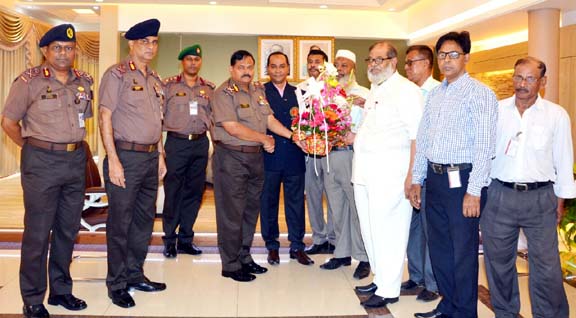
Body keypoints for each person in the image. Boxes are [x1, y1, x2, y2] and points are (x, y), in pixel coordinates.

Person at [1, 24, 91, 318]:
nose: (64, 53)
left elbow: (82, 119)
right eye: (57, 48)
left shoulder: (84, 81)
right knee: (38, 233)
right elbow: (9, 122)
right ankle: (32, 298)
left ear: (75, 50)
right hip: (41, 163)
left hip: (74, 162)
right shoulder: (28, 82)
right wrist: (32, 148)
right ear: (45, 51)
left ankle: (61, 291)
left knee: (68, 230)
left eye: (69, 48)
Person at [409, 31, 498, 318]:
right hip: (434, 180)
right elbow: (423, 140)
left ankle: (464, 312)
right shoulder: (435, 94)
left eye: (453, 55)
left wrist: (475, 190)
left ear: (466, 57)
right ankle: (449, 304)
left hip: (463, 182)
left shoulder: (480, 94)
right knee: (440, 250)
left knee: (462, 253)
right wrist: (416, 179)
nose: (447, 61)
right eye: (442, 55)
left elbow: (485, 146)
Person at [482, 56, 575, 318]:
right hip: (500, 195)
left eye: (530, 78)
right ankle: (505, 313)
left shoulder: (556, 115)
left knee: (546, 267)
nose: (522, 83)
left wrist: (561, 200)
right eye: (518, 77)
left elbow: (564, 159)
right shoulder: (496, 111)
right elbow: (484, 154)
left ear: (542, 82)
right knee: (498, 264)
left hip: (540, 197)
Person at [212, 50, 302, 282]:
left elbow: (270, 120)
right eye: (241, 67)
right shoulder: (223, 93)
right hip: (232, 157)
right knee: (231, 214)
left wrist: (292, 136)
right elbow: (232, 127)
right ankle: (230, 265)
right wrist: (263, 139)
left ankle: (244, 257)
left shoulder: (257, 91)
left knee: (249, 212)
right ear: (231, 69)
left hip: (255, 159)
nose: (246, 71)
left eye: (250, 67)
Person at [99, 18, 167, 309]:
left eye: (153, 42)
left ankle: (135, 273)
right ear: (131, 44)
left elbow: (157, 121)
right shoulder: (116, 75)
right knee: (120, 223)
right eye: (144, 42)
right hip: (125, 157)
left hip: (151, 157)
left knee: (143, 221)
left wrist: (161, 154)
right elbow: (105, 117)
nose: (150, 47)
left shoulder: (154, 78)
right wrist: (112, 159)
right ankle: (116, 284)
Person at [352, 41, 424, 309]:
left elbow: (418, 137)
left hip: (392, 177)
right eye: (370, 60)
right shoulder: (375, 89)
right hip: (365, 174)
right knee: (370, 231)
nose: (373, 65)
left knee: (389, 232)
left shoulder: (407, 91)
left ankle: (389, 288)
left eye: (379, 60)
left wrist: (413, 177)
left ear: (394, 61)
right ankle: (380, 278)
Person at [319, 49, 370, 280]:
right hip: (330, 155)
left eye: (345, 66)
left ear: (353, 69)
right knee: (336, 208)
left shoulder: (364, 94)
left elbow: (373, 126)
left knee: (357, 208)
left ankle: (364, 257)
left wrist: (365, 106)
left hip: (353, 156)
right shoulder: (325, 93)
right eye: (337, 65)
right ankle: (341, 254)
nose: (340, 69)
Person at [260, 52, 314, 266]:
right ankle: (272, 246)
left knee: (295, 203)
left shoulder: (301, 93)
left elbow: (311, 122)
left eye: (282, 66)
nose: (278, 70)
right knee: (268, 203)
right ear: (267, 69)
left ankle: (297, 246)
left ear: (288, 68)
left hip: (295, 156)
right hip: (269, 157)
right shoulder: (259, 92)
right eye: (273, 66)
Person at [161, 44, 214, 258]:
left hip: (200, 144)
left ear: (201, 62)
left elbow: (214, 120)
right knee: (173, 191)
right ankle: (169, 240)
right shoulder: (168, 86)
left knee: (194, 192)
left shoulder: (209, 88)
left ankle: (185, 238)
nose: (193, 62)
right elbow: (158, 117)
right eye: (189, 59)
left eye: (197, 59)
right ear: (182, 62)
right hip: (176, 143)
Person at [401, 45, 440, 302]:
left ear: (427, 63)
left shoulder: (437, 93)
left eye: (411, 62)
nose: (407, 68)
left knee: (429, 229)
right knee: (412, 227)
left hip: (429, 171)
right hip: (408, 171)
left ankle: (431, 281)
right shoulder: (407, 93)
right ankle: (415, 276)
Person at [298, 49, 336, 255]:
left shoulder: (333, 88)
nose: (313, 65)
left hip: (330, 151)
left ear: (325, 65)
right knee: (312, 196)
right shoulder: (301, 89)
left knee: (332, 196)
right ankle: (319, 238)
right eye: (310, 62)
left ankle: (333, 238)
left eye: (318, 62)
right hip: (308, 153)